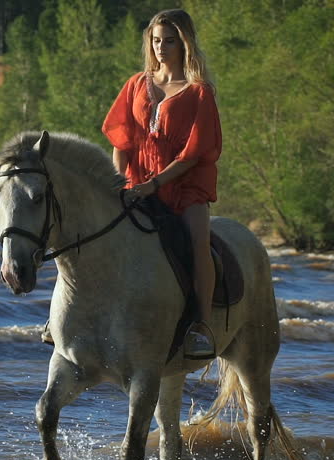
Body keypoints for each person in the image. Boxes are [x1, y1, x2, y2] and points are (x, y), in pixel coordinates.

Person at [102, 9, 222, 359]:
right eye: (156, 40)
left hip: (185, 185)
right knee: (96, 234)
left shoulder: (199, 92)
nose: (160, 47)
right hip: (136, 181)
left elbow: (191, 155)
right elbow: (121, 141)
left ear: (184, 44)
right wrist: (121, 183)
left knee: (198, 243)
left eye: (169, 41)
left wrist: (153, 185)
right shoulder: (137, 84)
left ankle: (201, 326)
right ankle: (76, 317)